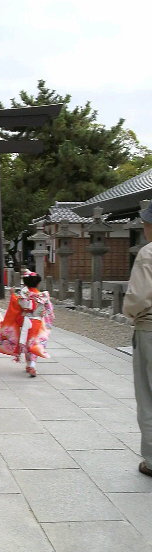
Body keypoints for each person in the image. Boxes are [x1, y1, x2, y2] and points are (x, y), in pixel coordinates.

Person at [123, 200, 152, 477]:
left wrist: (129, 313)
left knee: (148, 395)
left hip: (150, 330)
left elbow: (139, 297)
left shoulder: (148, 253)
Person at [0, 270, 54, 377]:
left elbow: (16, 305)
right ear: (38, 283)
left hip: (26, 321)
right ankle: (32, 364)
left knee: (28, 343)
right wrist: (47, 319)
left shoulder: (24, 295)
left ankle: (29, 364)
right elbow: (49, 310)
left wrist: (12, 294)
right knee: (34, 343)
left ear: (26, 283)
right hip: (37, 322)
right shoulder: (43, 295)